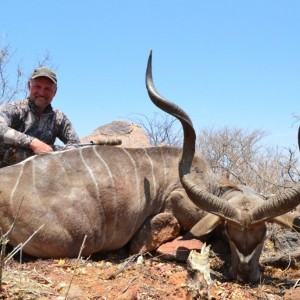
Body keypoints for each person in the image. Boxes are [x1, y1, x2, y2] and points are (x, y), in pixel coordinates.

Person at [0, 67, 80, 167]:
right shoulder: (14, 109)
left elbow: (76, 145)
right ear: (29, 86)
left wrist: (51, 150)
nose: (42, 93)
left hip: (41, 174)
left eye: (47, 89)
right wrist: (33, 143)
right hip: (5, 173)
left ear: (55, 92)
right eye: (37, 86)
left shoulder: (59, 118)